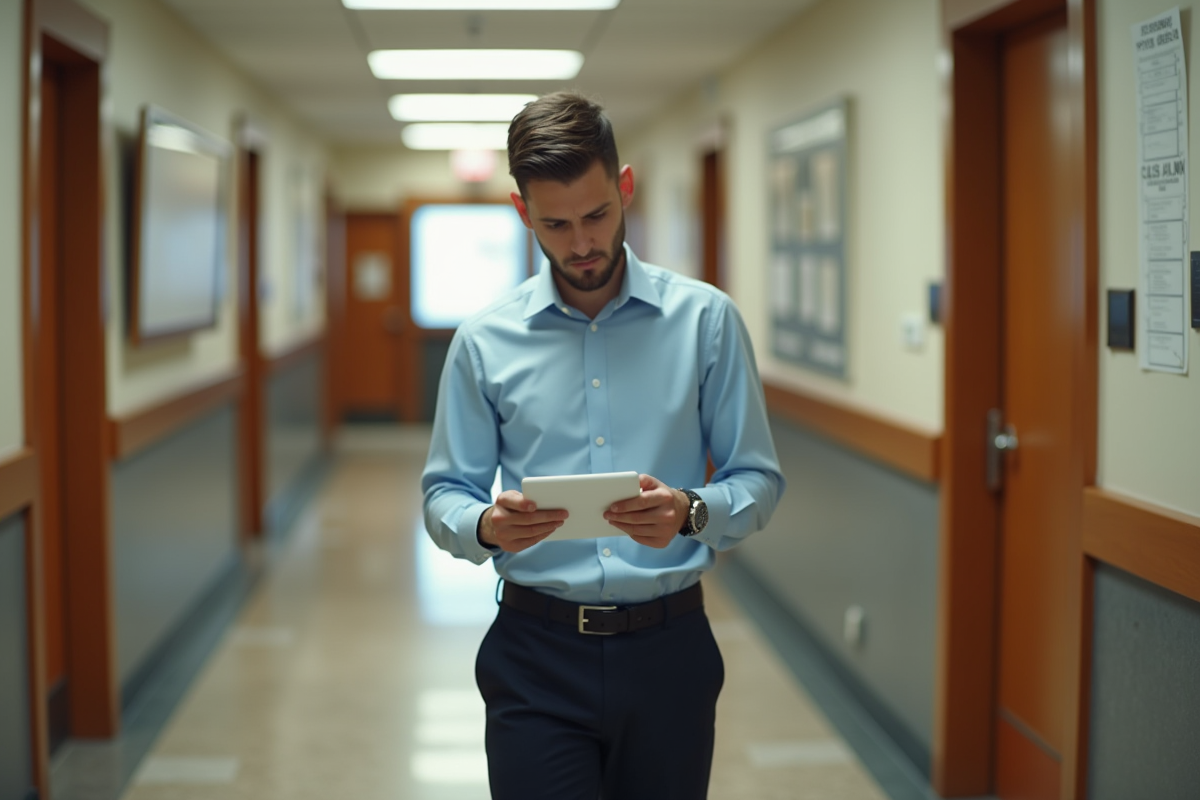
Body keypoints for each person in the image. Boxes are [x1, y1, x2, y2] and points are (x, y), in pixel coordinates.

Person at [421, 91, 784, 800]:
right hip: (534, 652)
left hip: (669, 650)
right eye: (555, 224)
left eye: (596, 215)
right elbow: (445, 495)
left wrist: (690, 511)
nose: (582, 243)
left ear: (625, 187)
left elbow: (758, 479)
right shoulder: (484, 341)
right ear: (523, 213)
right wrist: (486, 525)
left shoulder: (706, 322)